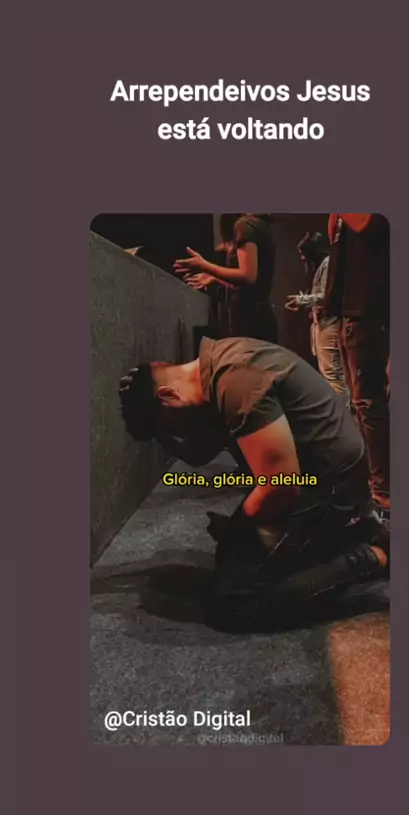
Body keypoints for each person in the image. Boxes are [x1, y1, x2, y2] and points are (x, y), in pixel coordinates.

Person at [118, 336, 389, 631]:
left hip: (327, 481)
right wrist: (156, 426)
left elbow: (281, 488)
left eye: (172, 426)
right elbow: (199, 454)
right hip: (308, 473)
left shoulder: (237, 381)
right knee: (230, 557)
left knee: (234, 604)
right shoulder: (214, 371)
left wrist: (235, 527)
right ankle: (348, 534)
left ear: (169, 394)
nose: (177, 432)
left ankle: (368, 556)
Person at [323, 214, 390, 512]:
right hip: (349, 309)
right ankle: (368, 480)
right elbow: (334, 238)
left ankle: (383, 488)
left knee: (369, 402)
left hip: (368, 310)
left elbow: (365, 225)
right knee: (359, 403)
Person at [174, 214, 278, 343]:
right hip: (260, 319)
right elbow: (250, 286)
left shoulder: (245, 225)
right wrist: (216, 278)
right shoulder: (262, 227)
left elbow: (248, 276)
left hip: (248, 323)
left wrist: (203, 265)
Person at [286, 231, 349, 401]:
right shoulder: (320, 266)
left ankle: (342, 414)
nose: (302, 258)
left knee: (333, 375)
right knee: (329, 374)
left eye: (303, 254)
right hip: (322, 324)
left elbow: (327, 295)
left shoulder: (327, 264)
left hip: (330, 323)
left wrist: (303, 300)